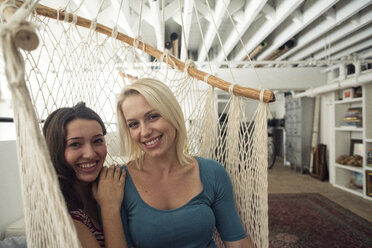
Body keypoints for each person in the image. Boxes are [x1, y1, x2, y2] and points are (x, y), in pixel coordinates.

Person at [116, 78, 254, 248]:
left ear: (172, 114)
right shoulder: (120, 181)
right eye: (134, 124)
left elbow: (237, 242)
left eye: (153, 116)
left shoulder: (212, 172)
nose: (144, 132)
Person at [43, 102, 127, 248]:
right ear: (56, 150)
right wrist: (109, 208)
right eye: (75, 144)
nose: (90, 154)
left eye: (97, 141)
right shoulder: (62, 215)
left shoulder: (108, 185)